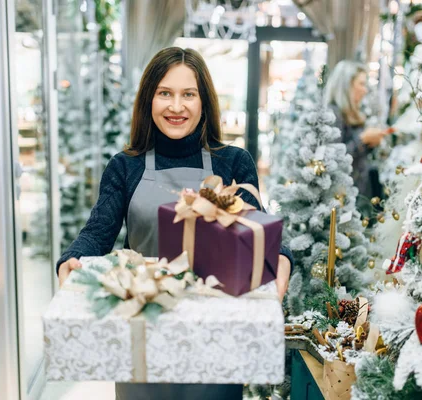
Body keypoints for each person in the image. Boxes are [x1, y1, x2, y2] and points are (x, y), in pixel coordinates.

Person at [55, 47, 294, 400]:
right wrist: (70, 261)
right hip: (143, 333)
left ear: (204, 102)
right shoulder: (126, 166)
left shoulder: (234, 163)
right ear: (148, 99)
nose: (176, 107)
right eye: (165, 93)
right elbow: (97, 234)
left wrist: (282, 263)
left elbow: (258, 235)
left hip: (217, 338)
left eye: (188, 94)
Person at [325, 60, 388, 201]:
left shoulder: (351, 114)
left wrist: (371, 142)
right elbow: (332, 161)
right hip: (341, 197)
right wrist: (363, 140)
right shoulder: (332, 115)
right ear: (346, 86)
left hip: (357, 192)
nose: (365, 90)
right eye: (361, 84)